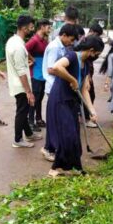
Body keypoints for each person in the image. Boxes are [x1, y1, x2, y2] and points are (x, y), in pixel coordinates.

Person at [47, 35, 104, 177]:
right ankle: (55, 169)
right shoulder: (72, 56)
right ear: (91, 50)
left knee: (75, 136)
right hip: (60, 100)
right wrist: (72, 79)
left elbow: (84, 89)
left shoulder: (87, 65)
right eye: (97, 54)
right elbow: (56, 67)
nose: (96, 57)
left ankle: (76, 167)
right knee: (67, 134)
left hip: (72, 101)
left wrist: (92, 111)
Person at [40, 24, 79, 161]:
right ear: (64, 35)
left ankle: (56, 147)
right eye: (71, 39)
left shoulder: (62, 47)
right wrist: (68, 76)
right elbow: (52, 69)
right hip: (53, 87)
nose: (72, 42)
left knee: (58, 120)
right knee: (54, 120)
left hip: (58, 87)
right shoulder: (54, 47)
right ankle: (48, 148)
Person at [6, 15, 43, 148]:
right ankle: (17, 139)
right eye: (30, 26)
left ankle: (28, 133)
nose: (32, 29)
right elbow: (21, 72)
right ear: (23, 27)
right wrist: (29, 91)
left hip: (18, 83)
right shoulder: (18, 47)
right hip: (21, 85)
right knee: (22, 112)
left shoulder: (13, 41)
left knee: (24, 109)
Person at [25, 18, 51, 132]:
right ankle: (30, 122)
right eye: (48, 27)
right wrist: (31, 59)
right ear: (42, 27)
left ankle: (38, 119)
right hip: (35, 73)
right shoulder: (34, 40)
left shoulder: (44, 40)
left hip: (42, 73)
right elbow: (24, 50)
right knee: (34, 98)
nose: (49, 29)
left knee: (40, 97)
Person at [83, 23, 103, 128]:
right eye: (97, 34)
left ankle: (84, 115)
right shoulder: (86, 42)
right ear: (92, 32)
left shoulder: (89, 41)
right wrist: (87, 76)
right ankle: (86, 118)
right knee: (90, 94)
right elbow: (86, 60)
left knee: (89, 94)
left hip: (88, 71)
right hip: (85, 72)